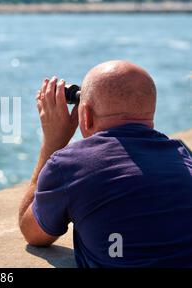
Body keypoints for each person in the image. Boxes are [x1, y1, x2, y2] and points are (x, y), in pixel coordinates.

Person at [18, 60, 192, 267]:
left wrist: (53, 143)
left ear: (86, 115)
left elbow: (33, 232)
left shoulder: (69, 164)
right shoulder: (183, 156)